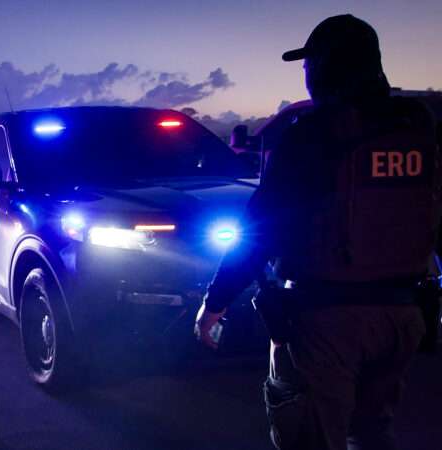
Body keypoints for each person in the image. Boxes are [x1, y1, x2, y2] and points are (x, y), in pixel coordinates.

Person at [195, 15, 439, 450]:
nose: (306, 76)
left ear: (326, 67)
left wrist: (214, 303)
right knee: (372, 435)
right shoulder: (416, 128)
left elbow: (259, 229)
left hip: (327, 321)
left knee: (307, 437)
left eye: (309, 66)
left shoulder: (311, 136)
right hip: (403, 317)